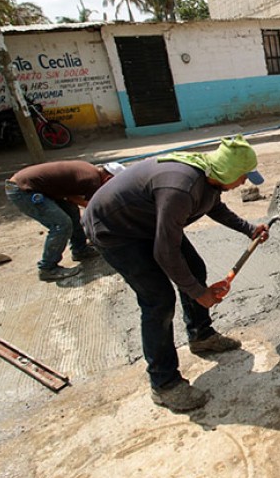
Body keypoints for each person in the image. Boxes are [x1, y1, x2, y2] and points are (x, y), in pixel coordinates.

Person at [82, 135, 269, 412]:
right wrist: (198, 293)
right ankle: (164, 385)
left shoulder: (208, 177)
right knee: (158, 300)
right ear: (228, 171)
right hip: (115, 229)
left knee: (195, 268)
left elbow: (212, 205)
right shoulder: (181, 188)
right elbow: (165, 253)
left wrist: (248, 228)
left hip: (145, 220)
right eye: (243, 177)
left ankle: (201, 335)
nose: (244, 182)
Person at [5, 160, 125, 281]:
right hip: (23, 190)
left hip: (33, 186)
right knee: (61, 224)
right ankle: (48, 268)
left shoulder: (90, 170)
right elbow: (93, 207)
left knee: (72, 211)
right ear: (109, 178)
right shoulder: (92, 180)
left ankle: (80, 249)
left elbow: (71, 196)